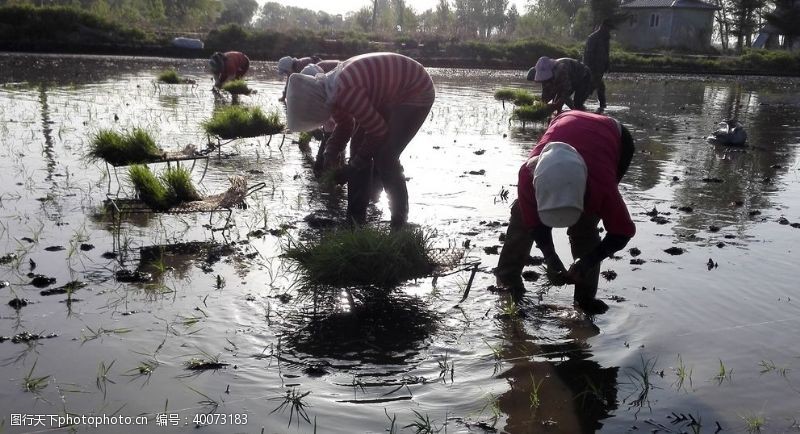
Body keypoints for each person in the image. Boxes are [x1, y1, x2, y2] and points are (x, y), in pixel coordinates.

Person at [494, 111, 636, 315]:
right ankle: (508, 280)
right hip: (566, 122)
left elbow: (622, 232)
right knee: (521, 215)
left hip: (615, 137)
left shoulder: (601, 185)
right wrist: (550, 256)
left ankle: (585, 299)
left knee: (585, 224)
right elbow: (533, 223)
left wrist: (587, 261)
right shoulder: (529, 174)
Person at [285, 52, 435, 227]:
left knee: (385, 156)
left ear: (315, 106)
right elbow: (345, 125)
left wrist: (351, 169)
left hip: (415, 91)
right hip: (386, 93)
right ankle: (355, 220)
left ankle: (399, 223)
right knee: (357, 146)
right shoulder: (328, 89)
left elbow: (378, 131)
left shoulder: (344, 91)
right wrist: (330, 152)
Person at [527, 57, 593, 113]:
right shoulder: (545, 79)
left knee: (578, 103)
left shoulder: (561, 69)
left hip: (583, 76)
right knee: (556, 102)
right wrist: (539, 106)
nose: (544, 82)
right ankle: (567, 114)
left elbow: (566, 90)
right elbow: (545, 96)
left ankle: (582, 117)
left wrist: (558, 104)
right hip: (570, 78)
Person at [583, 19, 613, 110]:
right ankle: (578, 104)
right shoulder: (593, 38)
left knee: (598, 87)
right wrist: (589, 69)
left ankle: (602, 106)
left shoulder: (606, 38)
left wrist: (607, 64)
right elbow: (588, 54)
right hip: (592, 68)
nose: (609, 30)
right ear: (603, 26)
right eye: (608, 28)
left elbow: (606, 53)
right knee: (591, 87)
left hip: (600, 68)